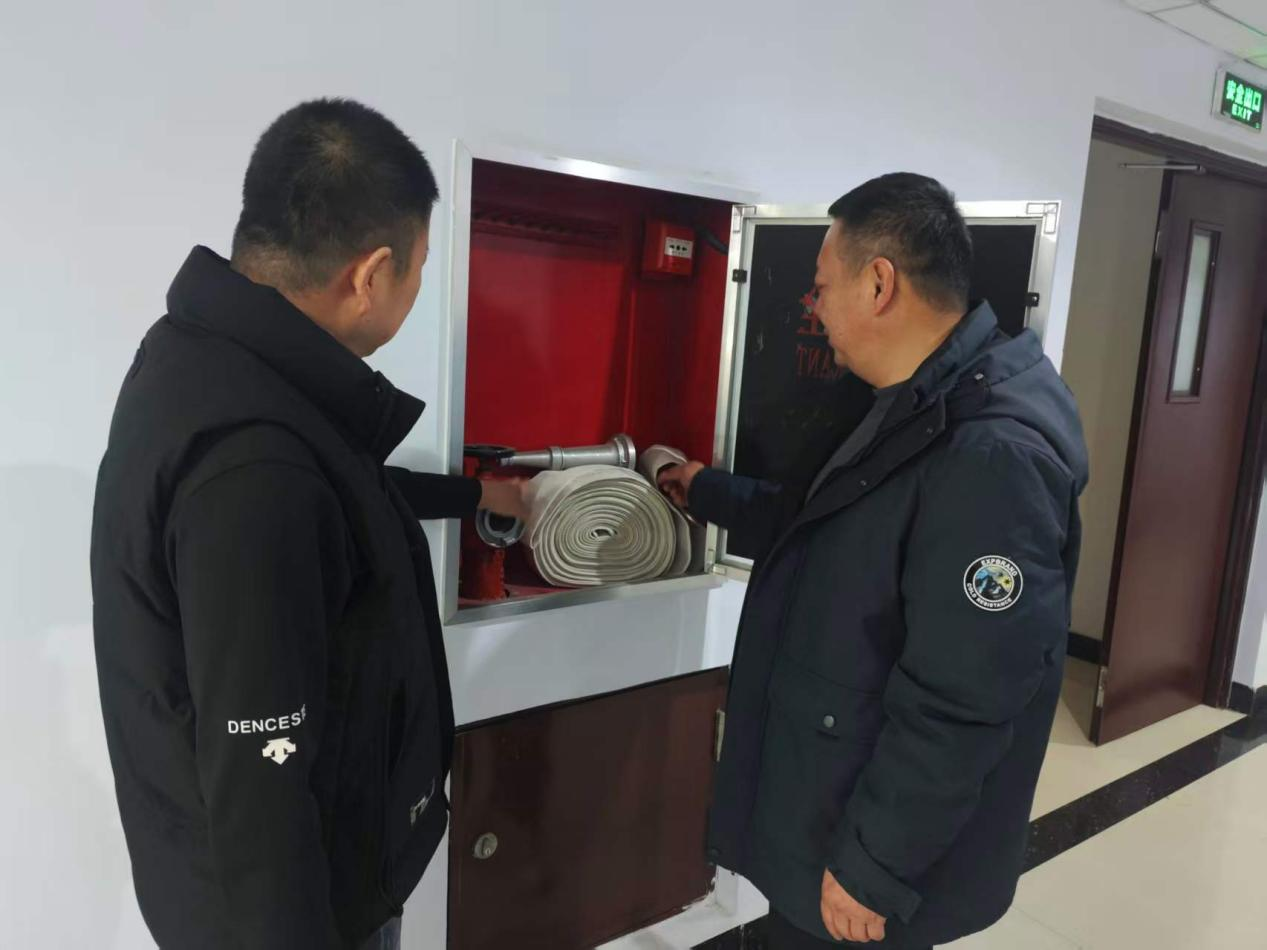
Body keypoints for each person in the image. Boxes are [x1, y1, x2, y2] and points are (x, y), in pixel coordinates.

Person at [90, 99, 526, 950]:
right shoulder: (259, 470)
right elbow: (261, 783)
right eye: (419, 268)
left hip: (255, 879)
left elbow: (339, 492)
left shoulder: (209, 360)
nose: (415, 289)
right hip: (298, 910)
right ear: (370, 274)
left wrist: (474, 497)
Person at [659, 174, 1087, 948]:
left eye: (821, 286)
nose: (812, 307)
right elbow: (821, 520)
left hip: (869, 854)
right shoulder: (913, 401)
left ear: (879, 283)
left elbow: (966, 694)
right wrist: (702, 488)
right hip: (830, 801)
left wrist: (874, 865)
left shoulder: (990, 455)